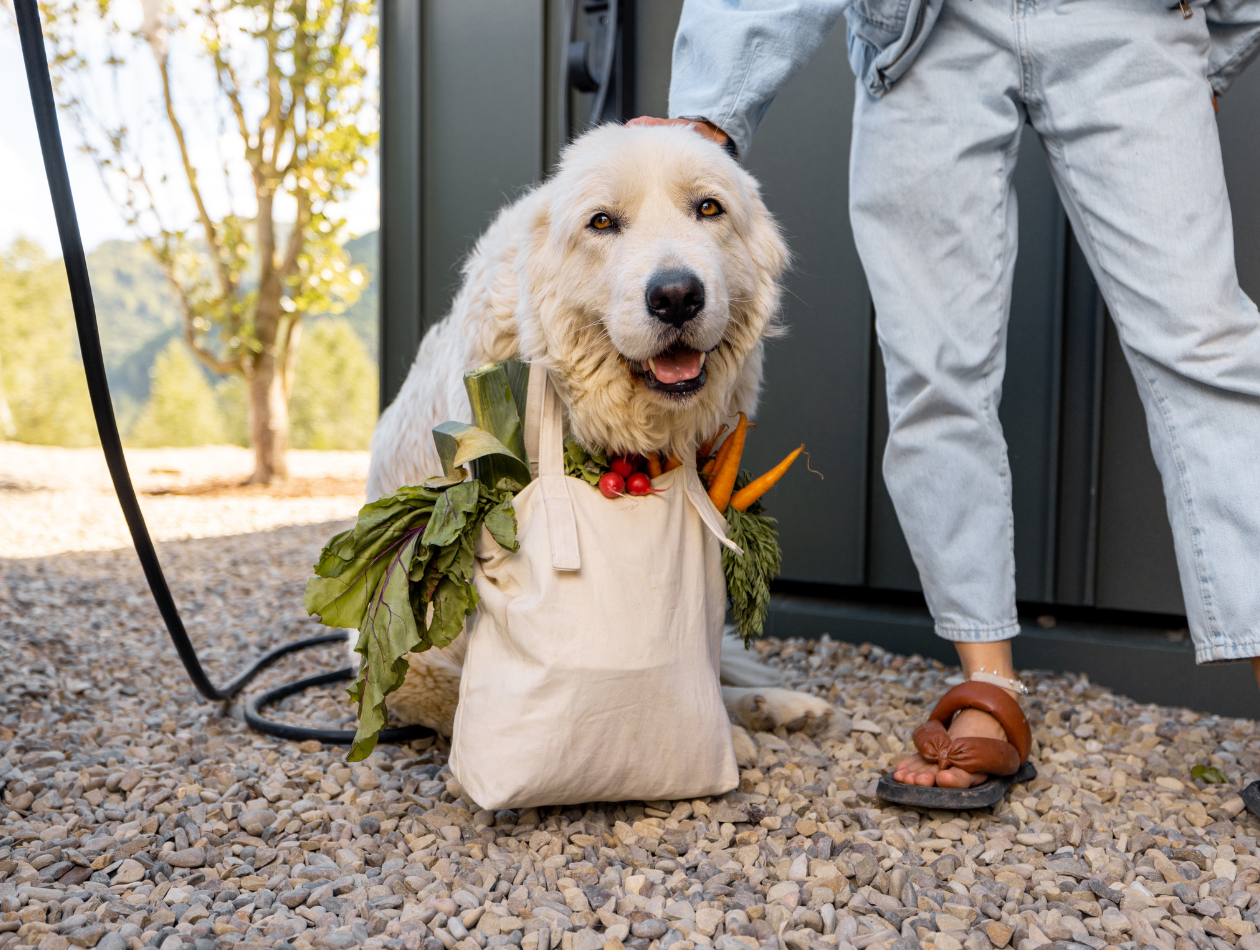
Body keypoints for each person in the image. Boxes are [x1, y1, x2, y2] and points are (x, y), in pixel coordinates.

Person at [631, 0, 1260, 793]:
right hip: (927, 34)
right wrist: (710, 109)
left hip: (1126, 21)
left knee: (1211, 349)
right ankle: (989, 688)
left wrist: (1225, 34)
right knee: (936, 369)